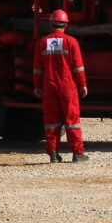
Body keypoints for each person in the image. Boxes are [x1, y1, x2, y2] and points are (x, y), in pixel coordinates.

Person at [32, 9, 88, 163]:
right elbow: (78, 67)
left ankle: (53, 154)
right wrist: (82, 85)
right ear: (65, 25)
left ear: (51, 24)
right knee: (72, 120)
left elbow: (37, 69)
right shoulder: (71, 42)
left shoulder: (42, 43)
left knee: (51, 120)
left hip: (49, 86)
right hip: (67, 86)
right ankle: (77, 154)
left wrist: (37, 86)